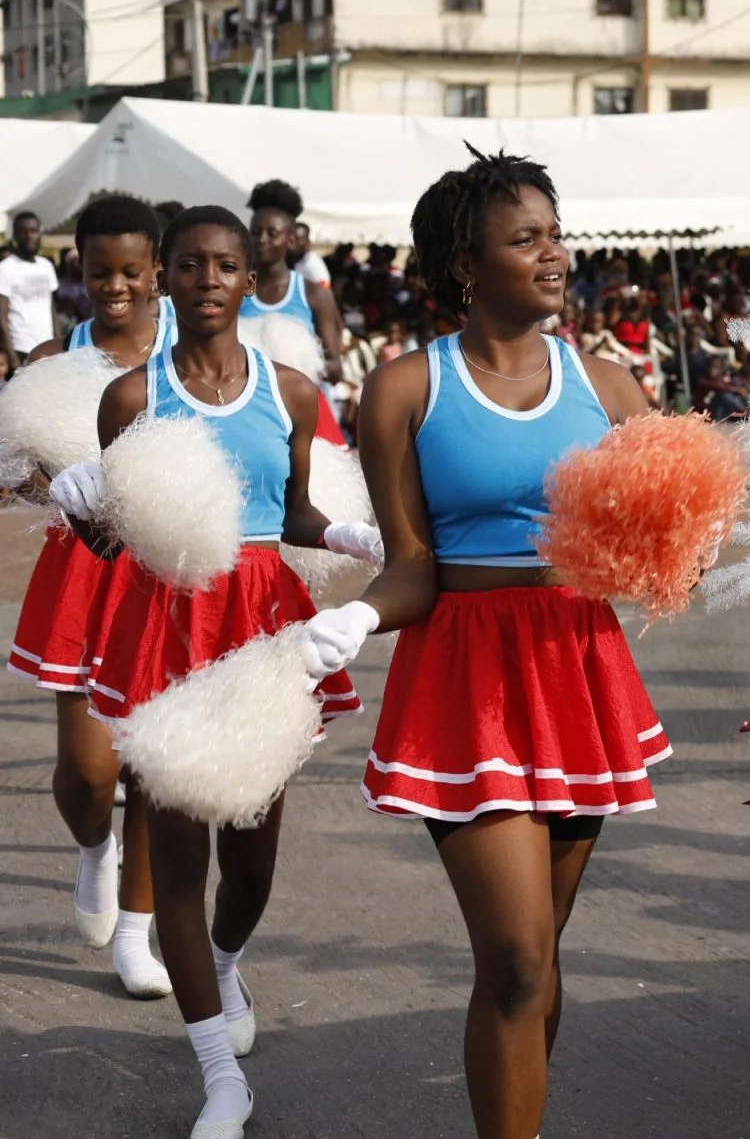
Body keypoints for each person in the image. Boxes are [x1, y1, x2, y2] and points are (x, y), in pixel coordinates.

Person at [337, 149, 669, 1139]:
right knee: (517, 957)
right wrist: (353, 617)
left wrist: (688, 543)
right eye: (526, 239)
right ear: (465, 266)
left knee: (541, 956)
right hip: (464, 680)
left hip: (577, 670)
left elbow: (658, 556)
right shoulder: (403, 389)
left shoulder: (612, 388)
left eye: (556, 234)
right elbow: (412, 567)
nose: (554, 255)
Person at [50, 204, 375, 1139]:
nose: (207, 281)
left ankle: (227, 964)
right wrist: (83, 508)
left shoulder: (291, 391)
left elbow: (296, 512)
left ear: (247, 276)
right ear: (164, 275)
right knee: (181, 862)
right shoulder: (130, 399)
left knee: (254, 863)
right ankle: (219, 1079)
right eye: (189, 264)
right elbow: (116, 538)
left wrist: (348, 535)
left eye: (224, 265)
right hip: (168, 629)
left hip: (263, 628)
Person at [10, 195, 175, 1001]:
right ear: (78, 270)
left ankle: (138, 934)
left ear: (156, 272)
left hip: (168, 569)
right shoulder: (55, 357)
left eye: (131, 271)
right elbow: (13, 468)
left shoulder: (190, 351)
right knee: (86, 770)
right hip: (81, 569)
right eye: (100, 270)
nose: (115, 286)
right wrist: (52, 488)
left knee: (151, 764)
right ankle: (92, 847)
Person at [244, 181, 345, 383]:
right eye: (255, 232)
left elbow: (335, 369)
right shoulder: (235, 290)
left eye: (272, 233)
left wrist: (294, 364)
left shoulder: (313, 293)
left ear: (290, 239)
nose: (262, 239)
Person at [0, 209, 61, 362]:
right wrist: (12, 358)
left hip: (48, 348)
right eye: (23, 232)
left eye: (33, 231)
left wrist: (59, 344)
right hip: (21, 349)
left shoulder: (46, 266)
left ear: (40, 233)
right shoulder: (6, 268)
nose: (29, 236)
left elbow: (52, 310)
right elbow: (1, 317)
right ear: (15, 235)